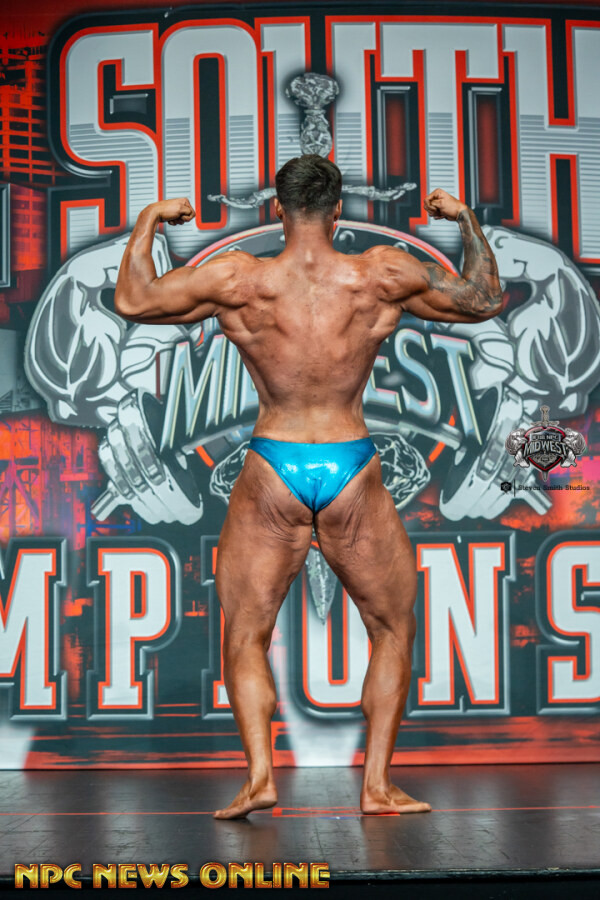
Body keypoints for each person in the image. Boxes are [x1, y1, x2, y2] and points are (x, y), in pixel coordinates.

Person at [115, 154, 503, 819]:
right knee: (392, 628)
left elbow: (134, 299)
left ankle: (260, 778)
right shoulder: (379, 274)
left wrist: (151, 220)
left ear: (277, 210)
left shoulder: (241, 279)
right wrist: (465, 220)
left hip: (274, 462)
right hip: (351, 463)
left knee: (246, 634)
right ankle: (377, 787)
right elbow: (482, 299)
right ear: (338, 210)